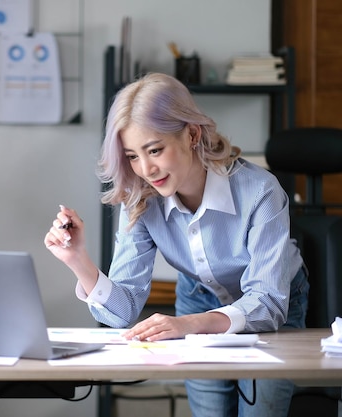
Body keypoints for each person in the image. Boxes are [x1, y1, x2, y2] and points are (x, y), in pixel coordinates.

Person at [44, 72, 309, 417]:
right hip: (198, 296)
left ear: (192, 134)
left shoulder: (260, 191)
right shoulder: (139, 199)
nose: (146, 169)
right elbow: (122, 312)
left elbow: (268, 302)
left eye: (154, 150)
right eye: (133, 156)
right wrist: (77, 259)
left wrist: (189, 325)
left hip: (277, 299)